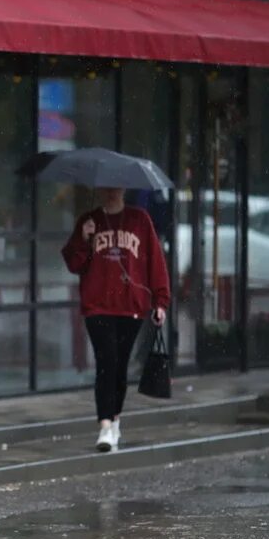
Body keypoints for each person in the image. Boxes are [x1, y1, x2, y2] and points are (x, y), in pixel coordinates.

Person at [62, 187, 171, 453]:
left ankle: (115, 419)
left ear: (123, 190)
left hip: (130, 305)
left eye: (116, 189)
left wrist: (161, 301)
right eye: (106, 189)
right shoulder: (88, 221)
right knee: (105, 362)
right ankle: (105, 426)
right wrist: (85, 239)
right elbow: (74, 263)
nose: (111, 193)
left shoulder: (140, 219)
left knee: (119, 365)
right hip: (97, 306)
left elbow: (155, 262)